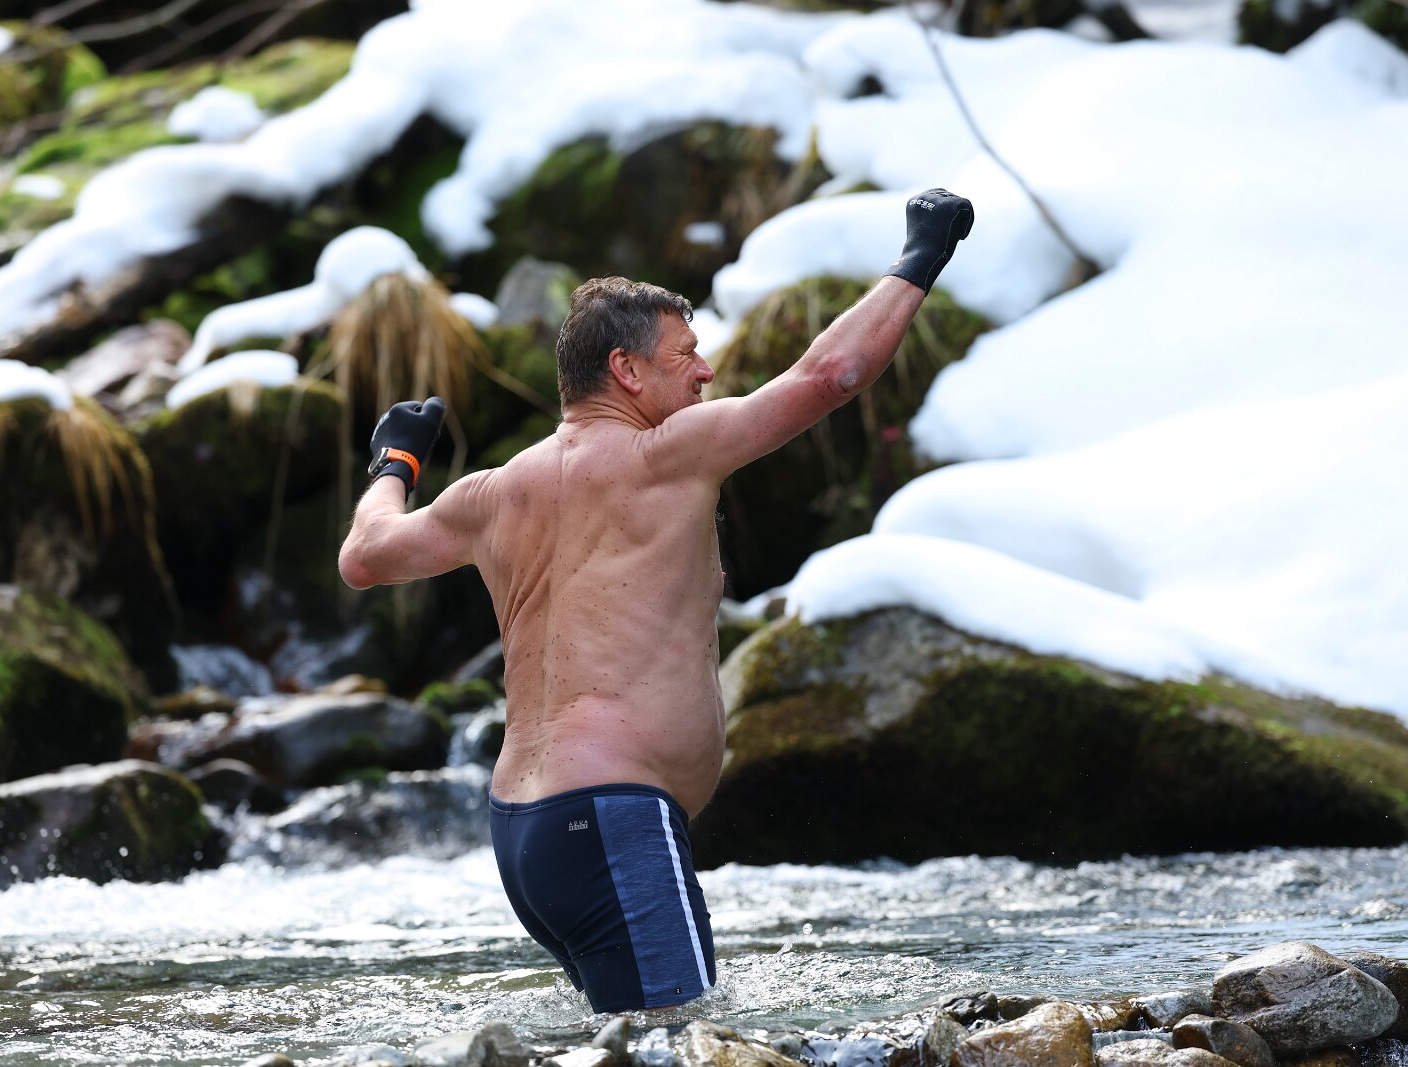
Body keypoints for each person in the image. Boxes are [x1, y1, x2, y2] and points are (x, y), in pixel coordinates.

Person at [337, 188, 974, 1013]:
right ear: (626, 370)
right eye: (687, 355)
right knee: (684, 1043)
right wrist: (921, 255)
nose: (706, 371)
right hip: (612, 818)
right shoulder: (667, 455)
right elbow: (830, 375)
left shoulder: (490, 494)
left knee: (637, 1044)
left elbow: (365, 555)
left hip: (524, 831)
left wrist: (395, 462)